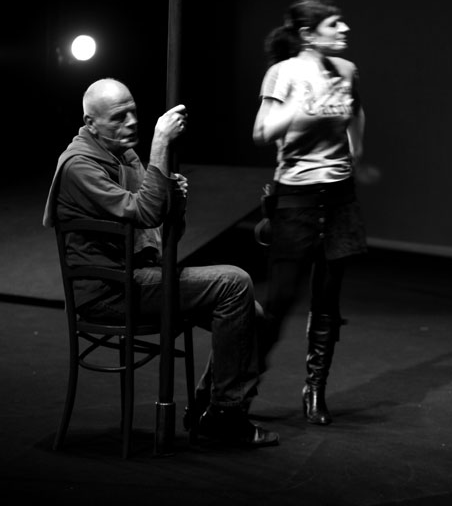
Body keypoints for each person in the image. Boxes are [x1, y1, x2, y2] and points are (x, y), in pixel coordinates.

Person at [43, 77, 278, 448]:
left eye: (133, 112)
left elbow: (163, 231)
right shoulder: (79, 167)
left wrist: (176, 201)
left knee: (255, 316)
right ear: (91, 123)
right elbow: (143, 211)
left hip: (138, 277)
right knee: (234, 282)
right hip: (110, 292)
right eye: (119, 117)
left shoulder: (124, 157)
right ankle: (227, 416)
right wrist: (160, 146)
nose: (132, 121)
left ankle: (208, 409)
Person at [252, 0, 368, 426]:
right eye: (334, 24)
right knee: (280, 299)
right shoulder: (283, 73)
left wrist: (356, 152)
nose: (344, 29)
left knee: (327, 302)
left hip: (338, 199)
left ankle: (315, 389)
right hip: (296, 200)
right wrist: (297, 110)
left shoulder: (347, 71)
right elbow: (261, 132)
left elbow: (356, 111)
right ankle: (238, 384)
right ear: (307, 34)